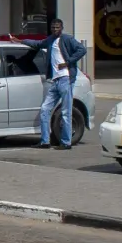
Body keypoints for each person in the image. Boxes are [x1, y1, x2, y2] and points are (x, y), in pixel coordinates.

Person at [25, 18, 86, 148]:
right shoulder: (50, 40)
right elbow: (38, 44)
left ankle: (66, 142)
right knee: (45, 110)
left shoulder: (67, 39)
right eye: (53, 27)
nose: (55, 30)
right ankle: (45, 141)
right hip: (55, 81)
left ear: (61, 28)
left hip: (65, 79)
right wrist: (19, 41)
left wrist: (68, 62)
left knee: (65, 112)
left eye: (57, 27)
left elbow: (82, 50)